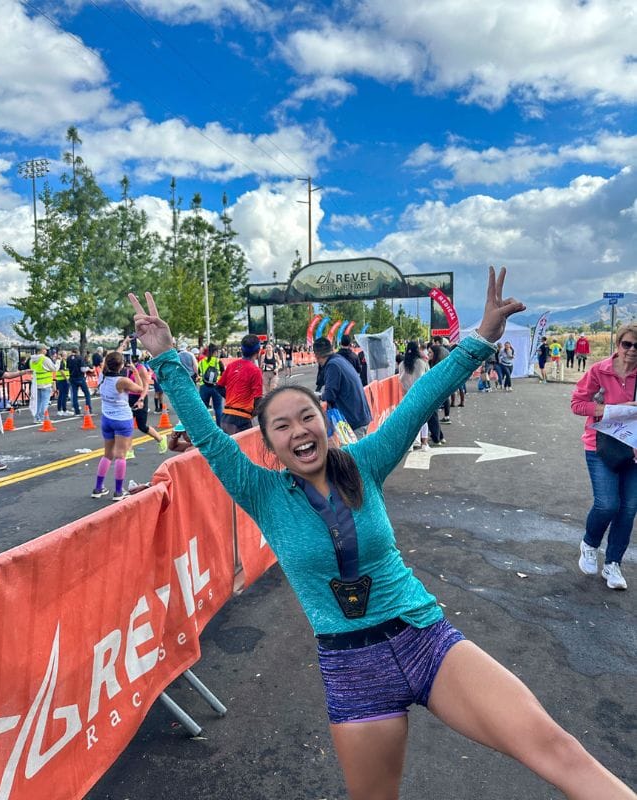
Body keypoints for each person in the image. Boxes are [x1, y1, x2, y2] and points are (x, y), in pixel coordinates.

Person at [129, 272, 634, 800]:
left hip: (425, 638)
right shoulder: (260, 492)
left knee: (557, 749)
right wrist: (166, 356)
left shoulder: (363, 463)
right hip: (352, 668)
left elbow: (417, 404)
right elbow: (208, 437)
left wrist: (481, 338)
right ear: (270, 446)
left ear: (324, 422)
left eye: (307, 417)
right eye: (282, 426)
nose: (299, 430)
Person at [571, 323, 637, 590]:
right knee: (607, 504)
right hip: (601, 446)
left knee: (629, 508)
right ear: (618, 345)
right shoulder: (600, 371)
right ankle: (589, 543)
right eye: (627, 344)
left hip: (633, 449)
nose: (632, 351)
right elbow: (577, 404)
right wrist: (614, 409)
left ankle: (613, 564)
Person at [91, 350, 145, 501]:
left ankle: (98, 487)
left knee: (107, 454)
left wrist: (123, 346)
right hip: (122, 419)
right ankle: (118, 491)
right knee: (121, 456)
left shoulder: (102, 376)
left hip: (107, 418)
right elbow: (140, 388)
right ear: (121, 365)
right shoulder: (122, 381)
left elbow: (111, 359)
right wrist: (135, 371)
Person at [313, 336, 371, 439]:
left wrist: (319, 396)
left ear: (316, 355)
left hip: (353, 420)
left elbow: (330, 395)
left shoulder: (332, 365)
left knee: (353, 454)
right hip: (358, 416)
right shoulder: (339, 360)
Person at [216, 333, 263, 435]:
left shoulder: (231, 366)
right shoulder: (255, 371)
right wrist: (255, 413)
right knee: (248, 449)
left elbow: (219, 387)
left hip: (225, 418)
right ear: (258, 351)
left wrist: (230, 397)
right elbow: (258, 399)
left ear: (241, 350)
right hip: (241, 419)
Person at [125, 352, 168, 457]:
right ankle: (129, 450)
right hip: (129, 398)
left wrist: (141, 399)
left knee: (142, 426)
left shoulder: (141, 369)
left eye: (129, 358)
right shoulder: (126, 369)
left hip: (140, 398)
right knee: (127, 426)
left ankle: (161, 439)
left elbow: (145, 387)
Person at [397, 341, 429, 451]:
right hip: (421, 395)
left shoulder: (402, 365)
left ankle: (410, 444)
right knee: (423, 420)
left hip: (407, 396)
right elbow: (428, 378)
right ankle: (424, 444)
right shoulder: (422, 363)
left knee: (409, 421)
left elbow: (400, 381)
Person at [29, 345, 59, 423]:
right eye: (45, 349)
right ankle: (42, 418)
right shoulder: (45, 359)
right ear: (42, 350)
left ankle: (36, 418)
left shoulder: (31, 360)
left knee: (38, 402)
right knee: (45, 402)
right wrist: (58, 361)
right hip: (45, 383)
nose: (46, 351)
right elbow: (54, 368)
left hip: (36, 384)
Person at [197, 343, 225, 426]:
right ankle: (219, 428)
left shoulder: (201, 362)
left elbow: (199, 373)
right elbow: (223, 374)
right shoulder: (218, 361)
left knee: (204, 409)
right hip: (216, 387)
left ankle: (205, 426)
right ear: (215, 352)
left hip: (204, 387)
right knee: (218, 408)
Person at [66, 348, 93, 415]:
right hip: (80, 377)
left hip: (72, 377)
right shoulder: (79, 358)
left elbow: (67, 368)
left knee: (74, 394)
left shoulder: (68, 358)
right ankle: (88, 408)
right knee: (87, 393)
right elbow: (83, 369)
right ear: (77, 351)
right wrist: (89, 368)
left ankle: (77, 410)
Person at [54, 350, 71, 415]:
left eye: (66, 355)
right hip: (62, 380)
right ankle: (62, 410)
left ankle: (62, 409)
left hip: (62, 380)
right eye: (64, 355)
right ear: (61, 356)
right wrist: (67, 379)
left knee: (63, 395)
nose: (66, 356)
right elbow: (61, 371)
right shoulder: (61, 362)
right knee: (63, 395)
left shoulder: (64, 361)